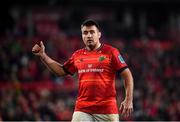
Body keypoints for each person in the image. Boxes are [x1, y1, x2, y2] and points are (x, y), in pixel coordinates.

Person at [32, 19, 134, 121]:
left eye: (92, 32)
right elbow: (61, 71)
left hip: (107, 110)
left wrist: (128, 99)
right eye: (85, 33)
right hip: (82, 109)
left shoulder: (111, 52)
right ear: (82, 35)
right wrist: (43, 56)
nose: (89, 35)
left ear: (99, 34)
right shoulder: (77, 55)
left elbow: (127, 74)